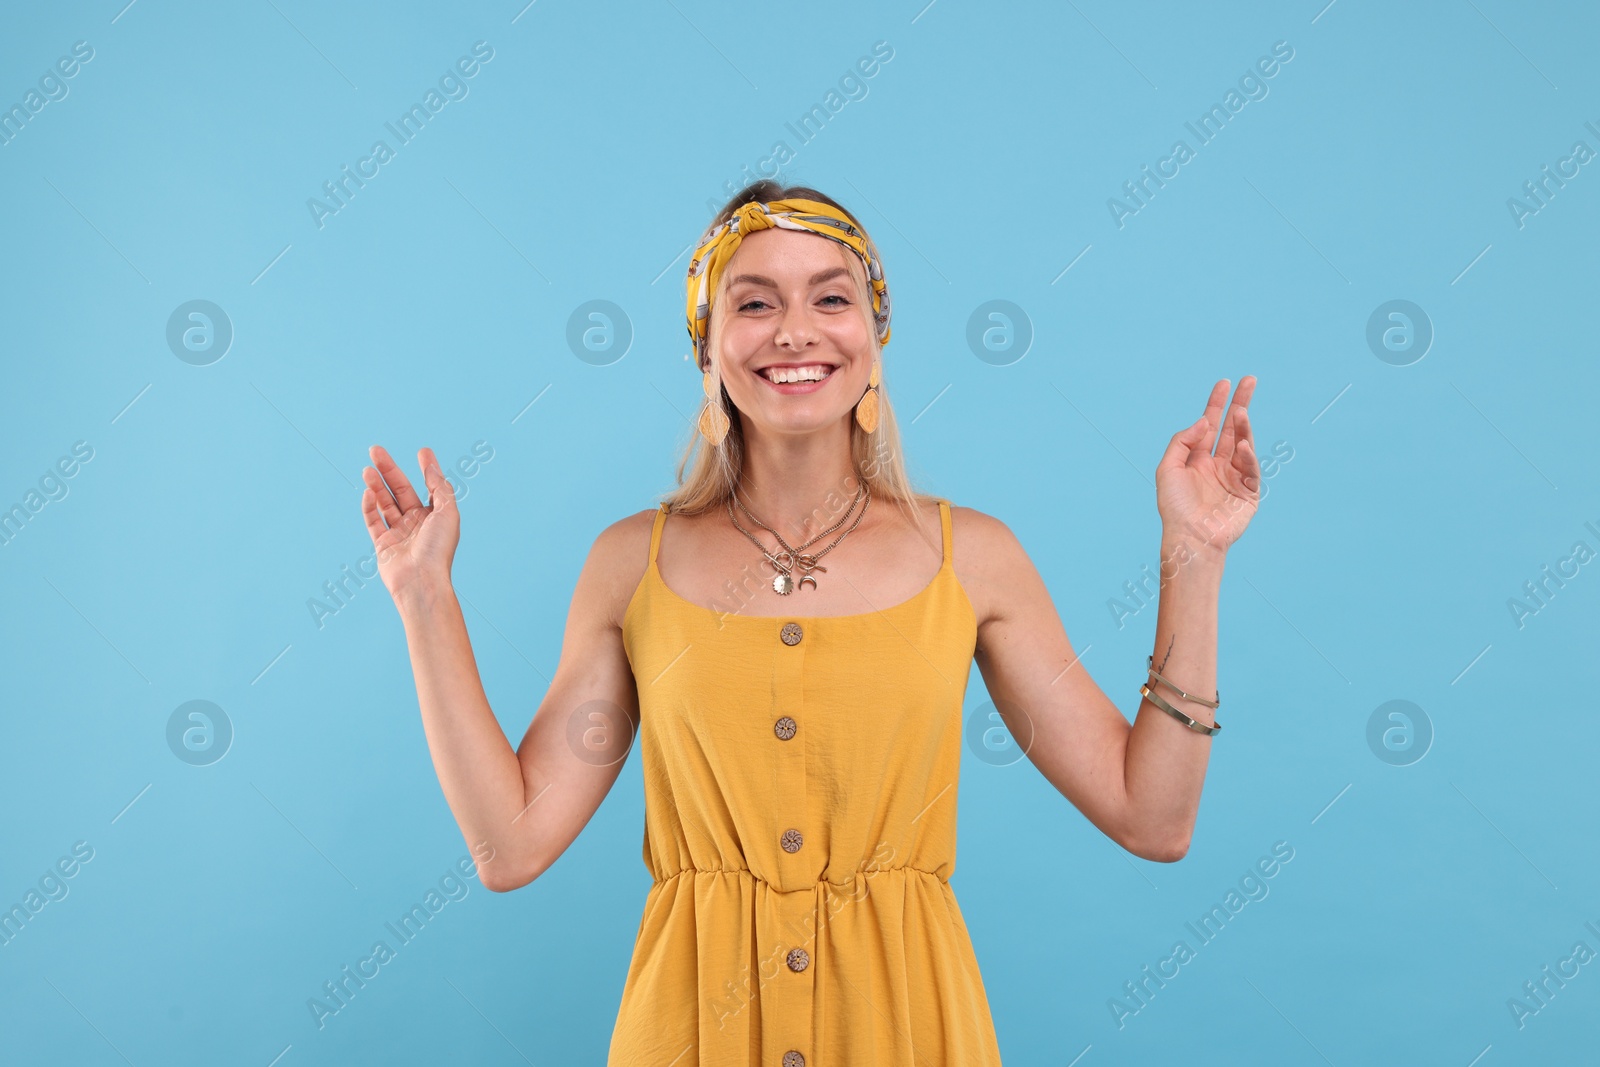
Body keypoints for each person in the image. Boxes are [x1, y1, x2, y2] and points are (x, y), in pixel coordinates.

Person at [359, 180, 1262, 1065]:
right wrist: (424, 596)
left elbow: (1155, 817)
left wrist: (1196, 552)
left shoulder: (973, 557)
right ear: (706, 349)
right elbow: (509, 843)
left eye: (830, 297)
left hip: (906, 1030)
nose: (795, 330)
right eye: (754, 303)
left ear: (873, 337)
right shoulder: (629, 562)